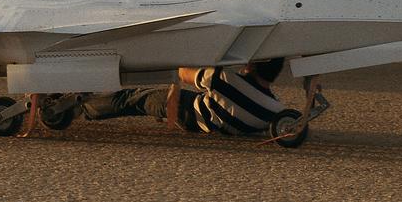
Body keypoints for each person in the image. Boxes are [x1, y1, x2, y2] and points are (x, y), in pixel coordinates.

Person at [80, 59, 287, 134]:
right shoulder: (274, 109)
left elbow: (183, 73)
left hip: (187, 110)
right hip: (205, 123)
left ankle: (82, 107)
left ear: (252, 65)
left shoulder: (227, 79)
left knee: (134, 98)